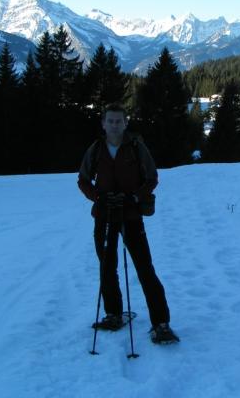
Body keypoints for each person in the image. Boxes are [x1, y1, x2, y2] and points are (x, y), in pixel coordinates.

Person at [78, 103, 179, 344]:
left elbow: (152, 178)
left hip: (131, 215)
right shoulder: (96, 149)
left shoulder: (136, 147)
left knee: (145, 268)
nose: (114, 125)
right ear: (103, 123)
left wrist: (133, 197)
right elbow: (83, 180)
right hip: (104, 215)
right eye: (110, 121)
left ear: (125, 123)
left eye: (118, 121)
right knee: (107, 267)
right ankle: (113, 313)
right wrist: (99, 198)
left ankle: (161, 323)